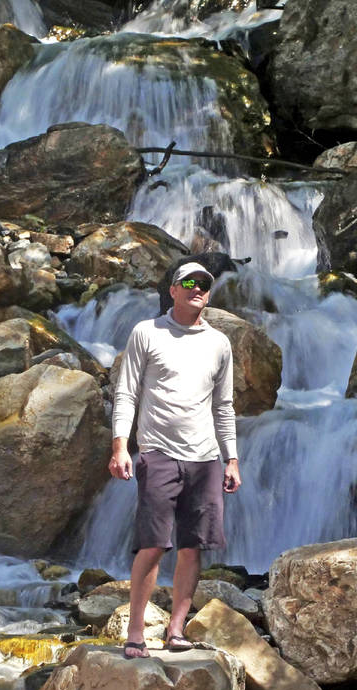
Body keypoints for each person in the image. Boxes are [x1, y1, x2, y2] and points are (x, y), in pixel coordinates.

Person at [108, 260, 241, 657]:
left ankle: (176, 628)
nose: (197, 288)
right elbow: (127, 393)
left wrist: (231, 458)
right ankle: (135, 632)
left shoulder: (219, 343)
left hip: (205, 458)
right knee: (152, 544)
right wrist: (120, 446)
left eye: (204, 284)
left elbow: (224, 405)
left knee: (192, 546)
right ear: (173, 290)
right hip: (159, 453)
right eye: (189, 282)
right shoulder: (147, 333)